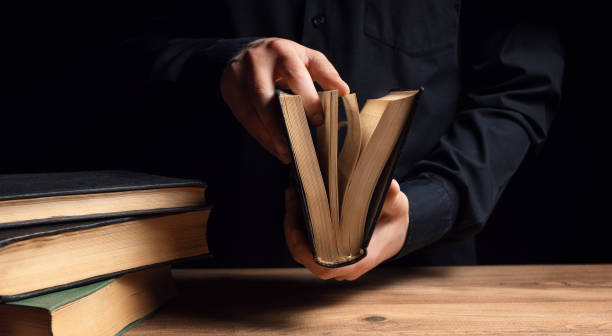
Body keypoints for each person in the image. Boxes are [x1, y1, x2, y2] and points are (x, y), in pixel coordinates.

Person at [119, 1, 564, 280]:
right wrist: (216, 63)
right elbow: (104, 52)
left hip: (421, 287)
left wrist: (430, 204)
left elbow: (518, 89)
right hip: (204, 281)